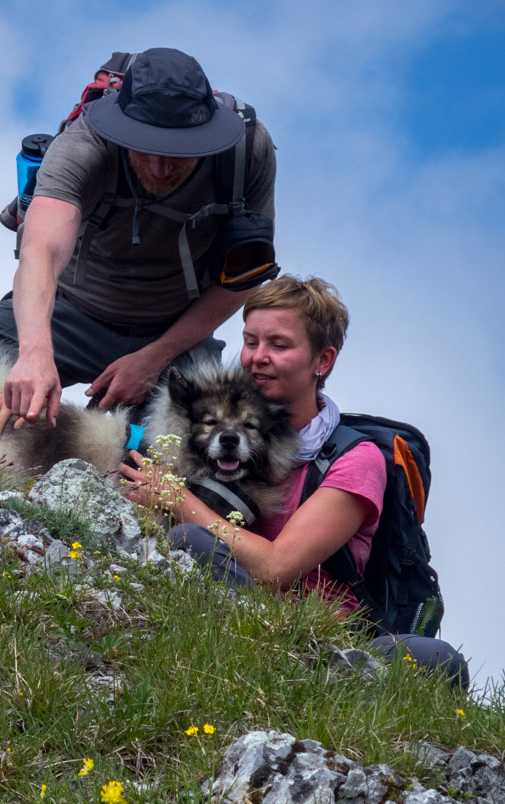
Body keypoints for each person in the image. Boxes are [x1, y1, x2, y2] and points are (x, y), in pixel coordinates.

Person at [0, 47, 277, 440]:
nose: (161, 168)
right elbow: (40, 251)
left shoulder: (247, 153)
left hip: (175, 330)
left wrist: (152, 359)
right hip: (68, 313)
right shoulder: (84, 146)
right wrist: (34, 356)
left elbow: (244, 277)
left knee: (193, 447)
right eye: (146, 148)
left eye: (179, 153)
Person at [119, 275, 469, 689]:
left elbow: (276, 568)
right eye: (251, 342)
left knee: (439, 659)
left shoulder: (355, 459)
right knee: (189, 541)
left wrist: (176, 499)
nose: (257, 358)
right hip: (241, 621)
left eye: (279, 346)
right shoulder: (209, 430)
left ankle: (320, 679)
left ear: (323, 360)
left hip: (332, 646)